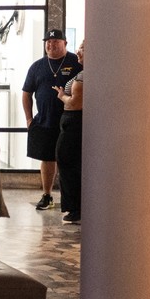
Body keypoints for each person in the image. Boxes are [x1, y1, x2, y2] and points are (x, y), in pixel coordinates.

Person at [21, 28, 81, 211]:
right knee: (47, 159)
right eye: (48, 42)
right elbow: (26, 93)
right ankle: (47, 196)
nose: (51, 44)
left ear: (65, 43)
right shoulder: (37, 66)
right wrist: (29, 119)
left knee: (69, 161)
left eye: (55, 41)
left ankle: (73, 201)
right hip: (44, 122)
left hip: (70, 122)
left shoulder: (76, 62)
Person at [54, 40, 84, 224]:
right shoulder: (83, 73)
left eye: (82, 49)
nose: (78, 52)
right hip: (71, 123)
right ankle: (74, 207)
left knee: (66, 162)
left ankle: (74, 208)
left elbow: (75, 103)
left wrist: (62, 96)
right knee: (68, 163)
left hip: (74, 124)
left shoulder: (84, 76)